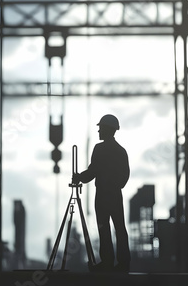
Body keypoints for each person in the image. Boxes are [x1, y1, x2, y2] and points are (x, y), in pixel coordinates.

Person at [72, 114, 130, 273]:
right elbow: (125, 175)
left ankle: (107, 263)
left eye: (100, 128)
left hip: (103, 195)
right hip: (115, 195)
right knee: (119, 228)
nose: (98, 131)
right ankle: (123, 263)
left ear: (107, 130)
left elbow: (92, 171)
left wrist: (79, 178)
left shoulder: (100, 149)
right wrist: (116, 186)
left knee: (104, 229)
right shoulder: (121, 151)